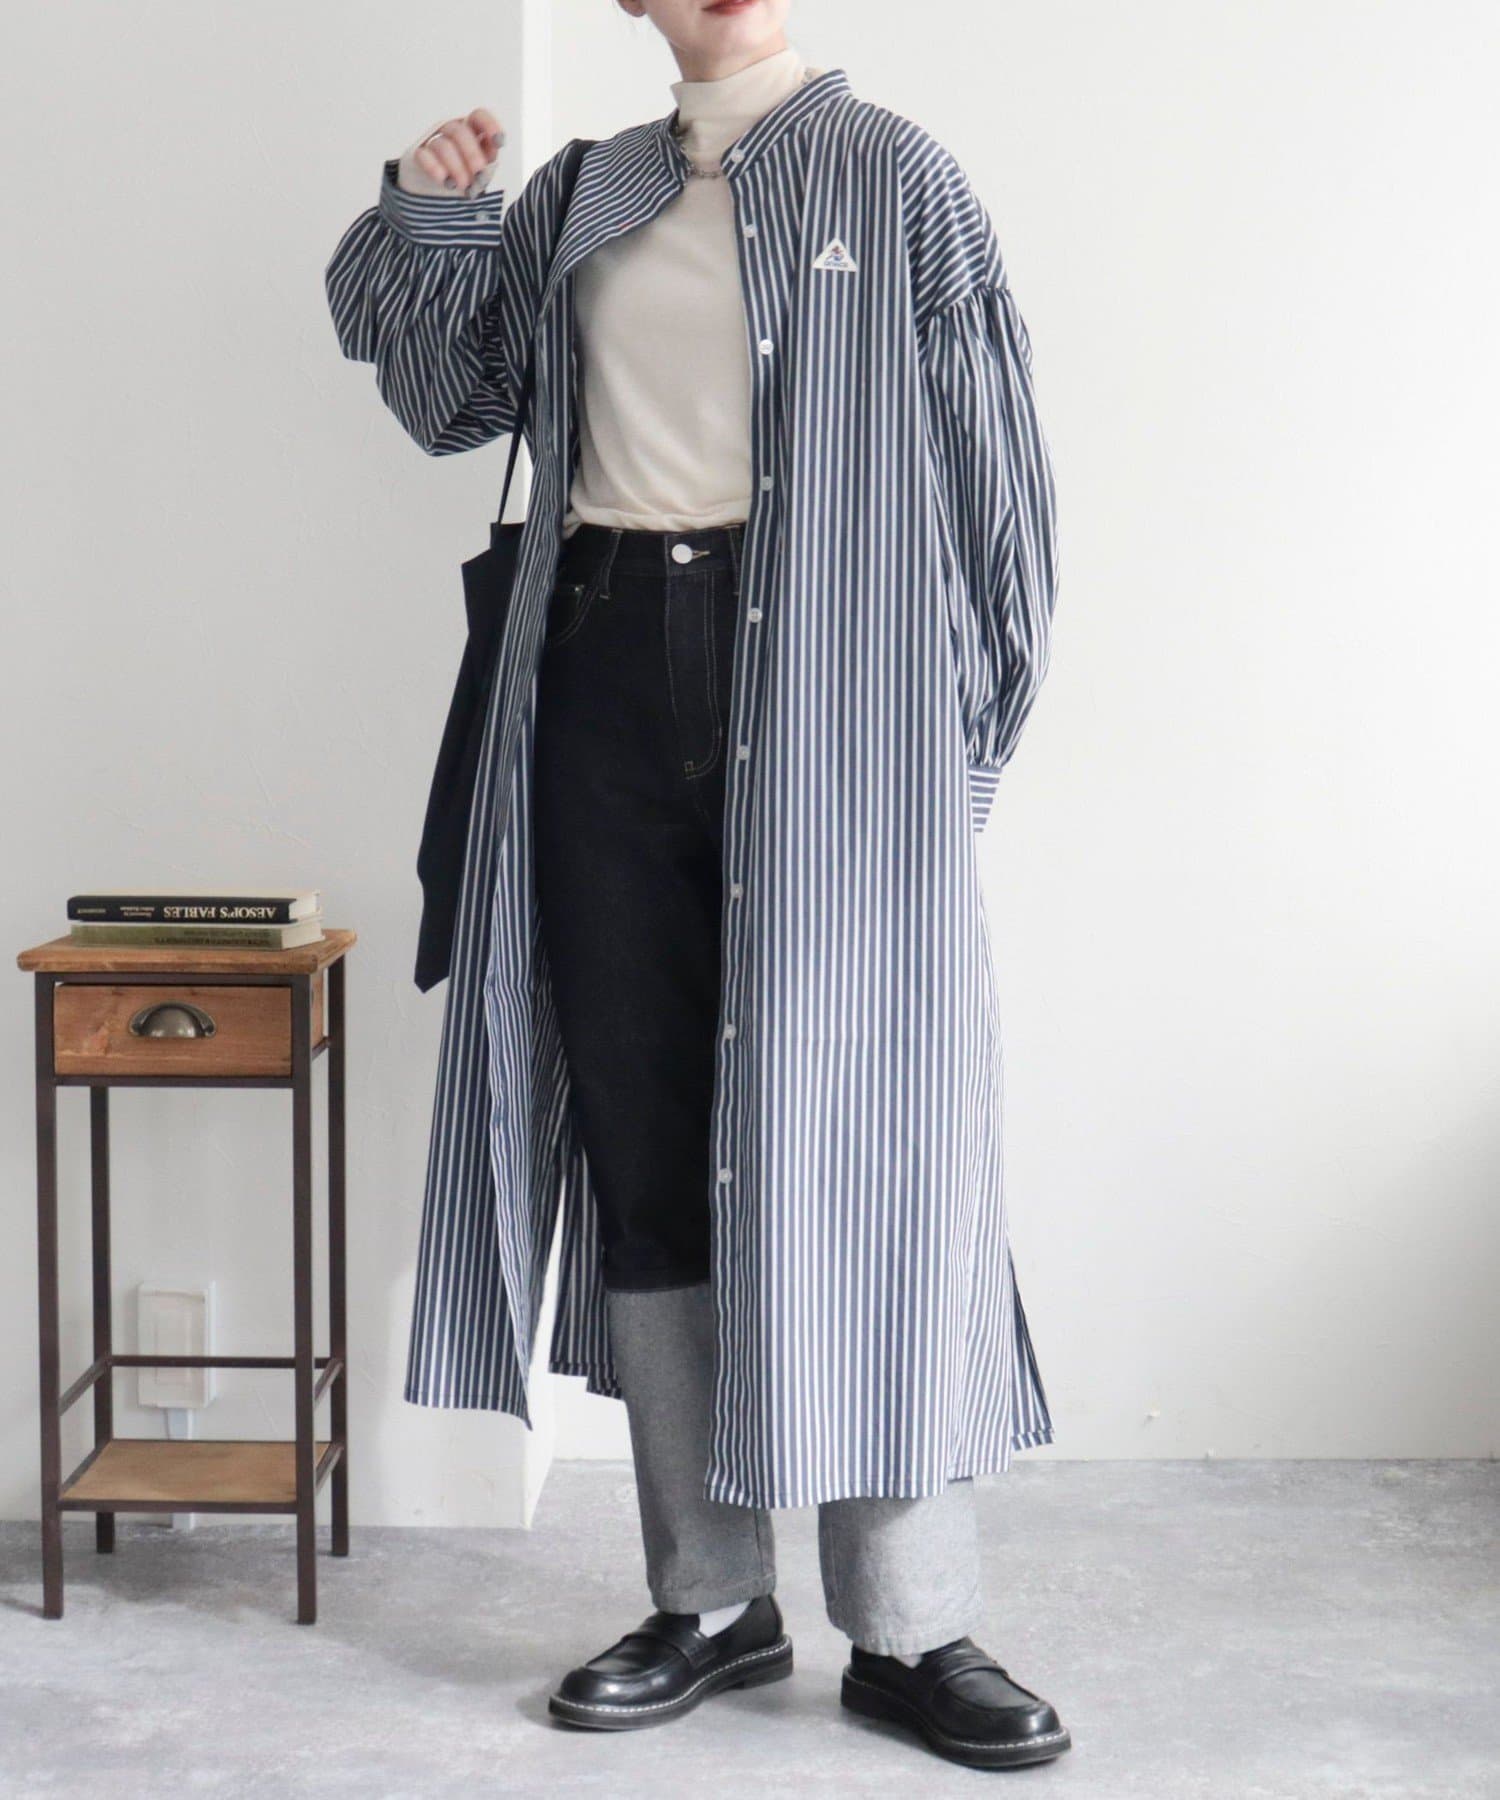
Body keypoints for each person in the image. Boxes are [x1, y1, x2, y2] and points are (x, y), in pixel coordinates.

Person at [325, 0, 1065, 1771]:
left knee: (870, 1146)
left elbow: (1002, 498)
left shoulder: (897, 181)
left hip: (829, 707)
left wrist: (943, 771)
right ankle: (711, 1599)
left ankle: (912, 1625)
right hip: (594, 673)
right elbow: (450, 400)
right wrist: (427, 215)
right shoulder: (585, 192)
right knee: (648, 1139)